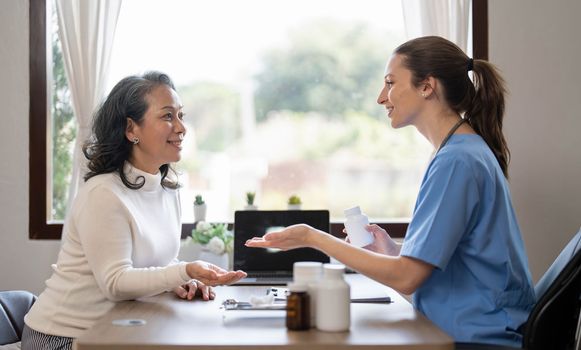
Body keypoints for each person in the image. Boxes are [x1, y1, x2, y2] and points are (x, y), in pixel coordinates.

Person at [246, 36, 535, 347]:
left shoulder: (457, 161)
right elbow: (434, 271)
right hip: (468, 331)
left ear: (427, 86)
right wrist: (393, 254)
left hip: (479, 340)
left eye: (390, 83)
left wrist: (312, 238)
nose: (381, 97)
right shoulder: (461, 151)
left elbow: (407, 278)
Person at [22, 71, 246, 350]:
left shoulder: (168, 189)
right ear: (131, 129)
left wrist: (186, 277)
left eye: (181, 116)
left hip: (118, 329)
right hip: (64, 336)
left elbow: (155, 263)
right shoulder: (103, 193)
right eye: (167, 116)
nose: (181, 127)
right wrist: (184, 271)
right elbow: (115, 282)